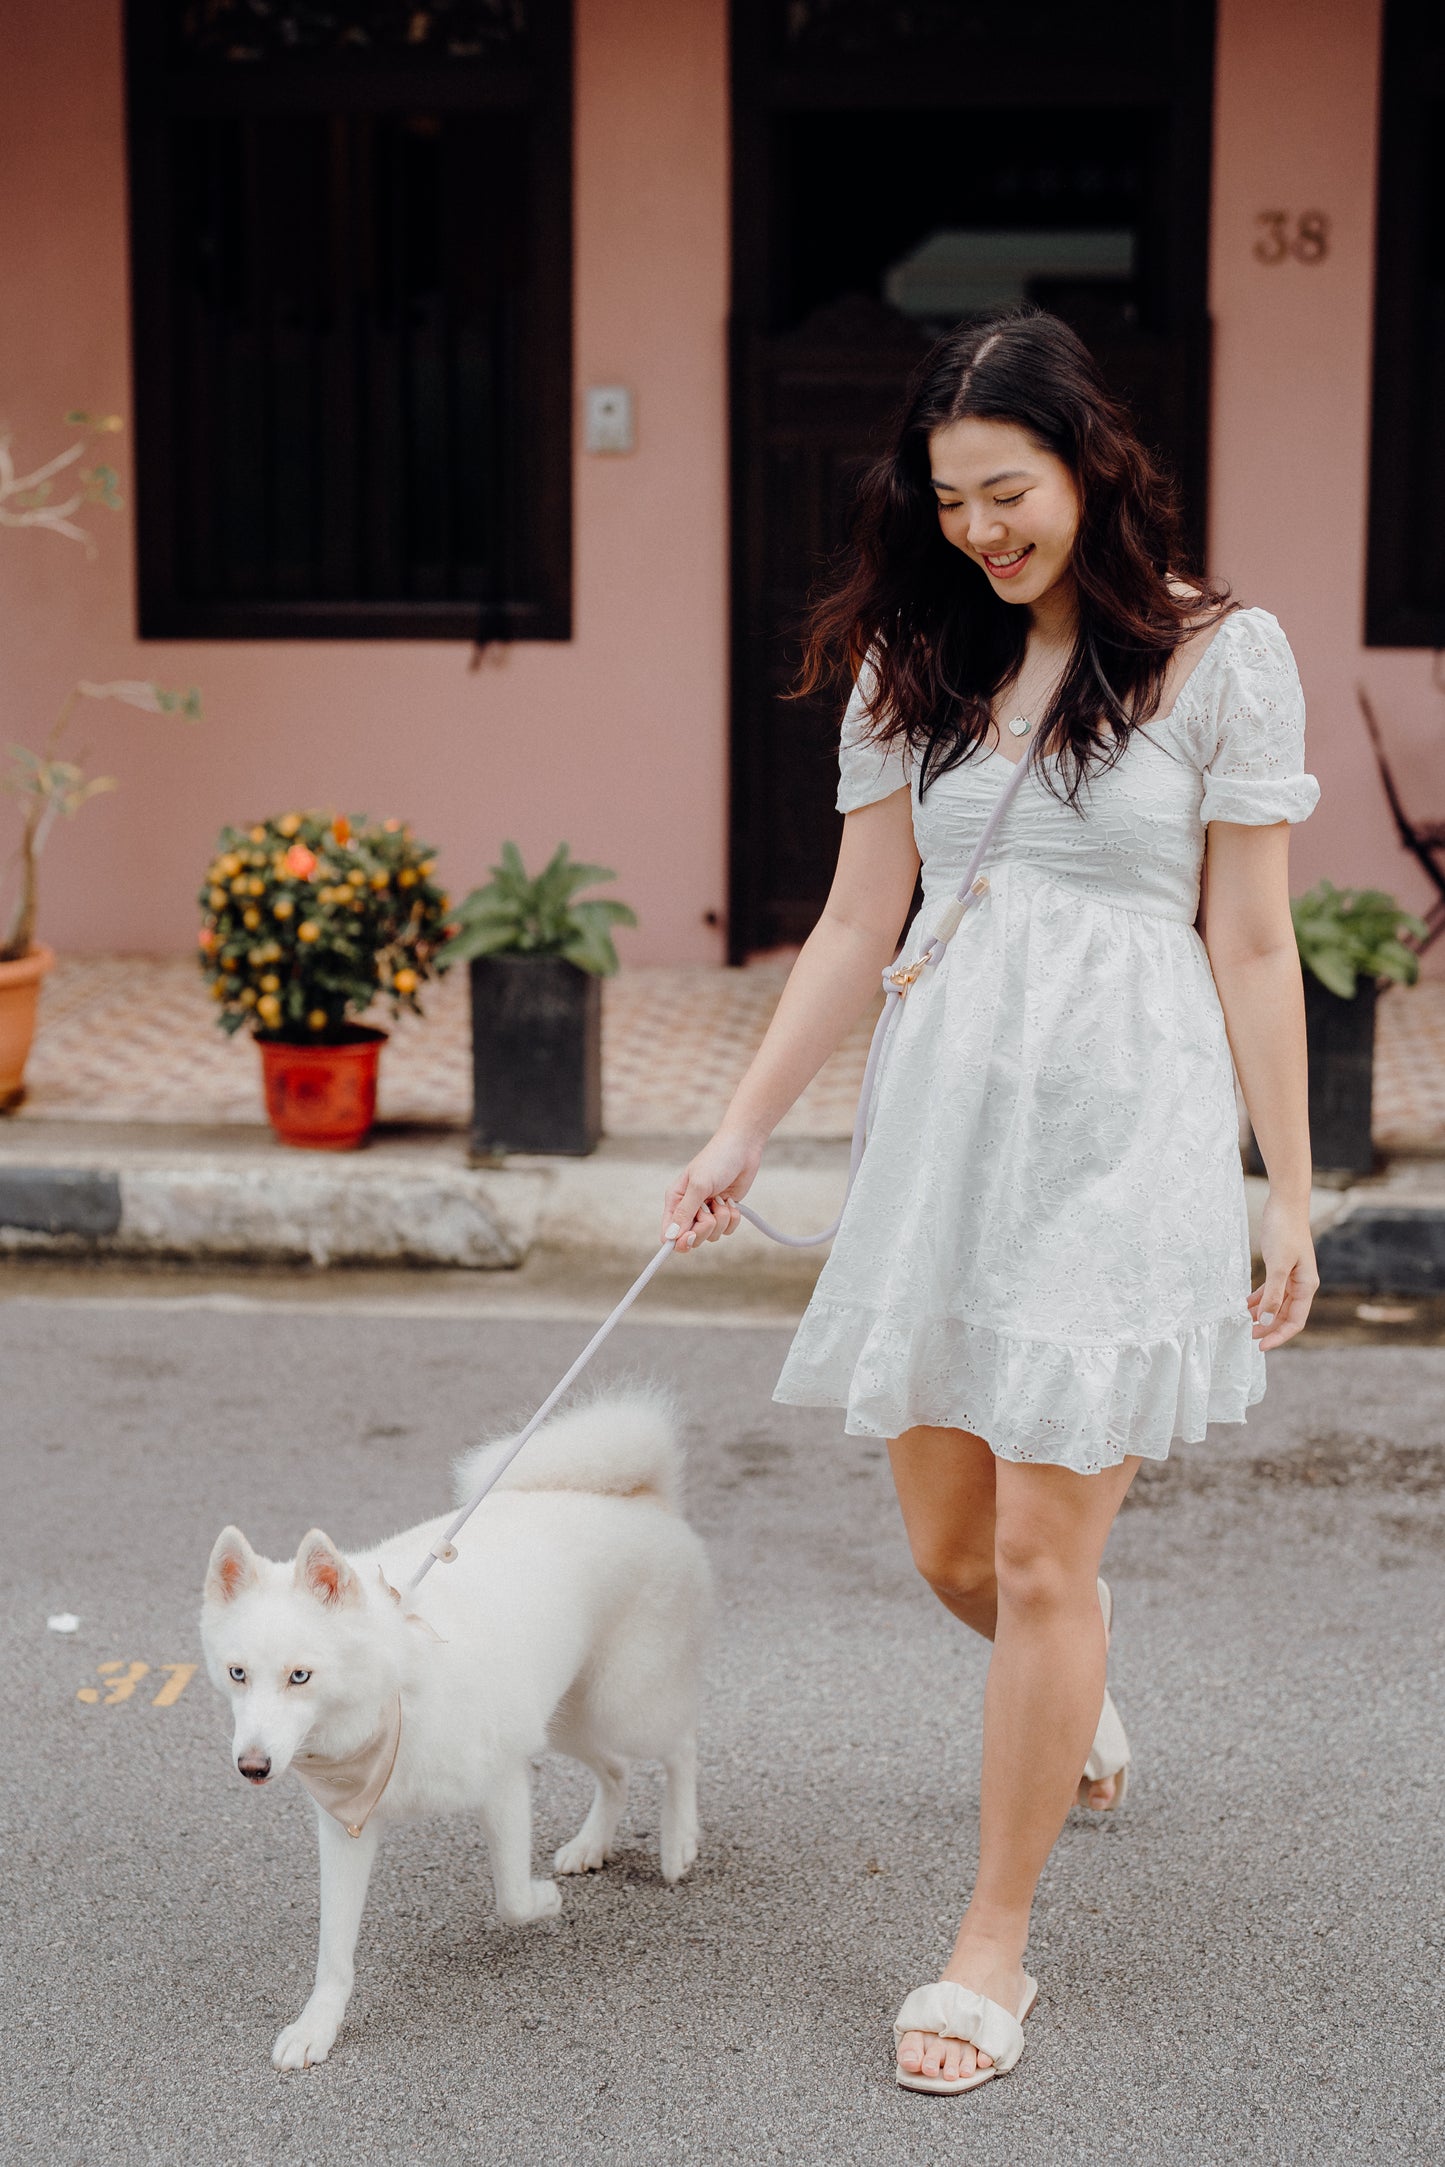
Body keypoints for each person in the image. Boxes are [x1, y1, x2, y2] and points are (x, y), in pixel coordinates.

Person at [663, 307, 1320, 2096]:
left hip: (1128, 1136)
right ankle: (1076, 1701)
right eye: (950, 499)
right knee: (951, 1548)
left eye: (1006, 491)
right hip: (943, 1128)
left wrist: (1286, 1187)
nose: (980, 529)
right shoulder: (913, 655)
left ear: (1087, 463)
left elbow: (1248, 937)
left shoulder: (1219, 655)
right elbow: (857, 920)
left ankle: (990, 1947)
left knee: (1043, 1553)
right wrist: (740, 1133)